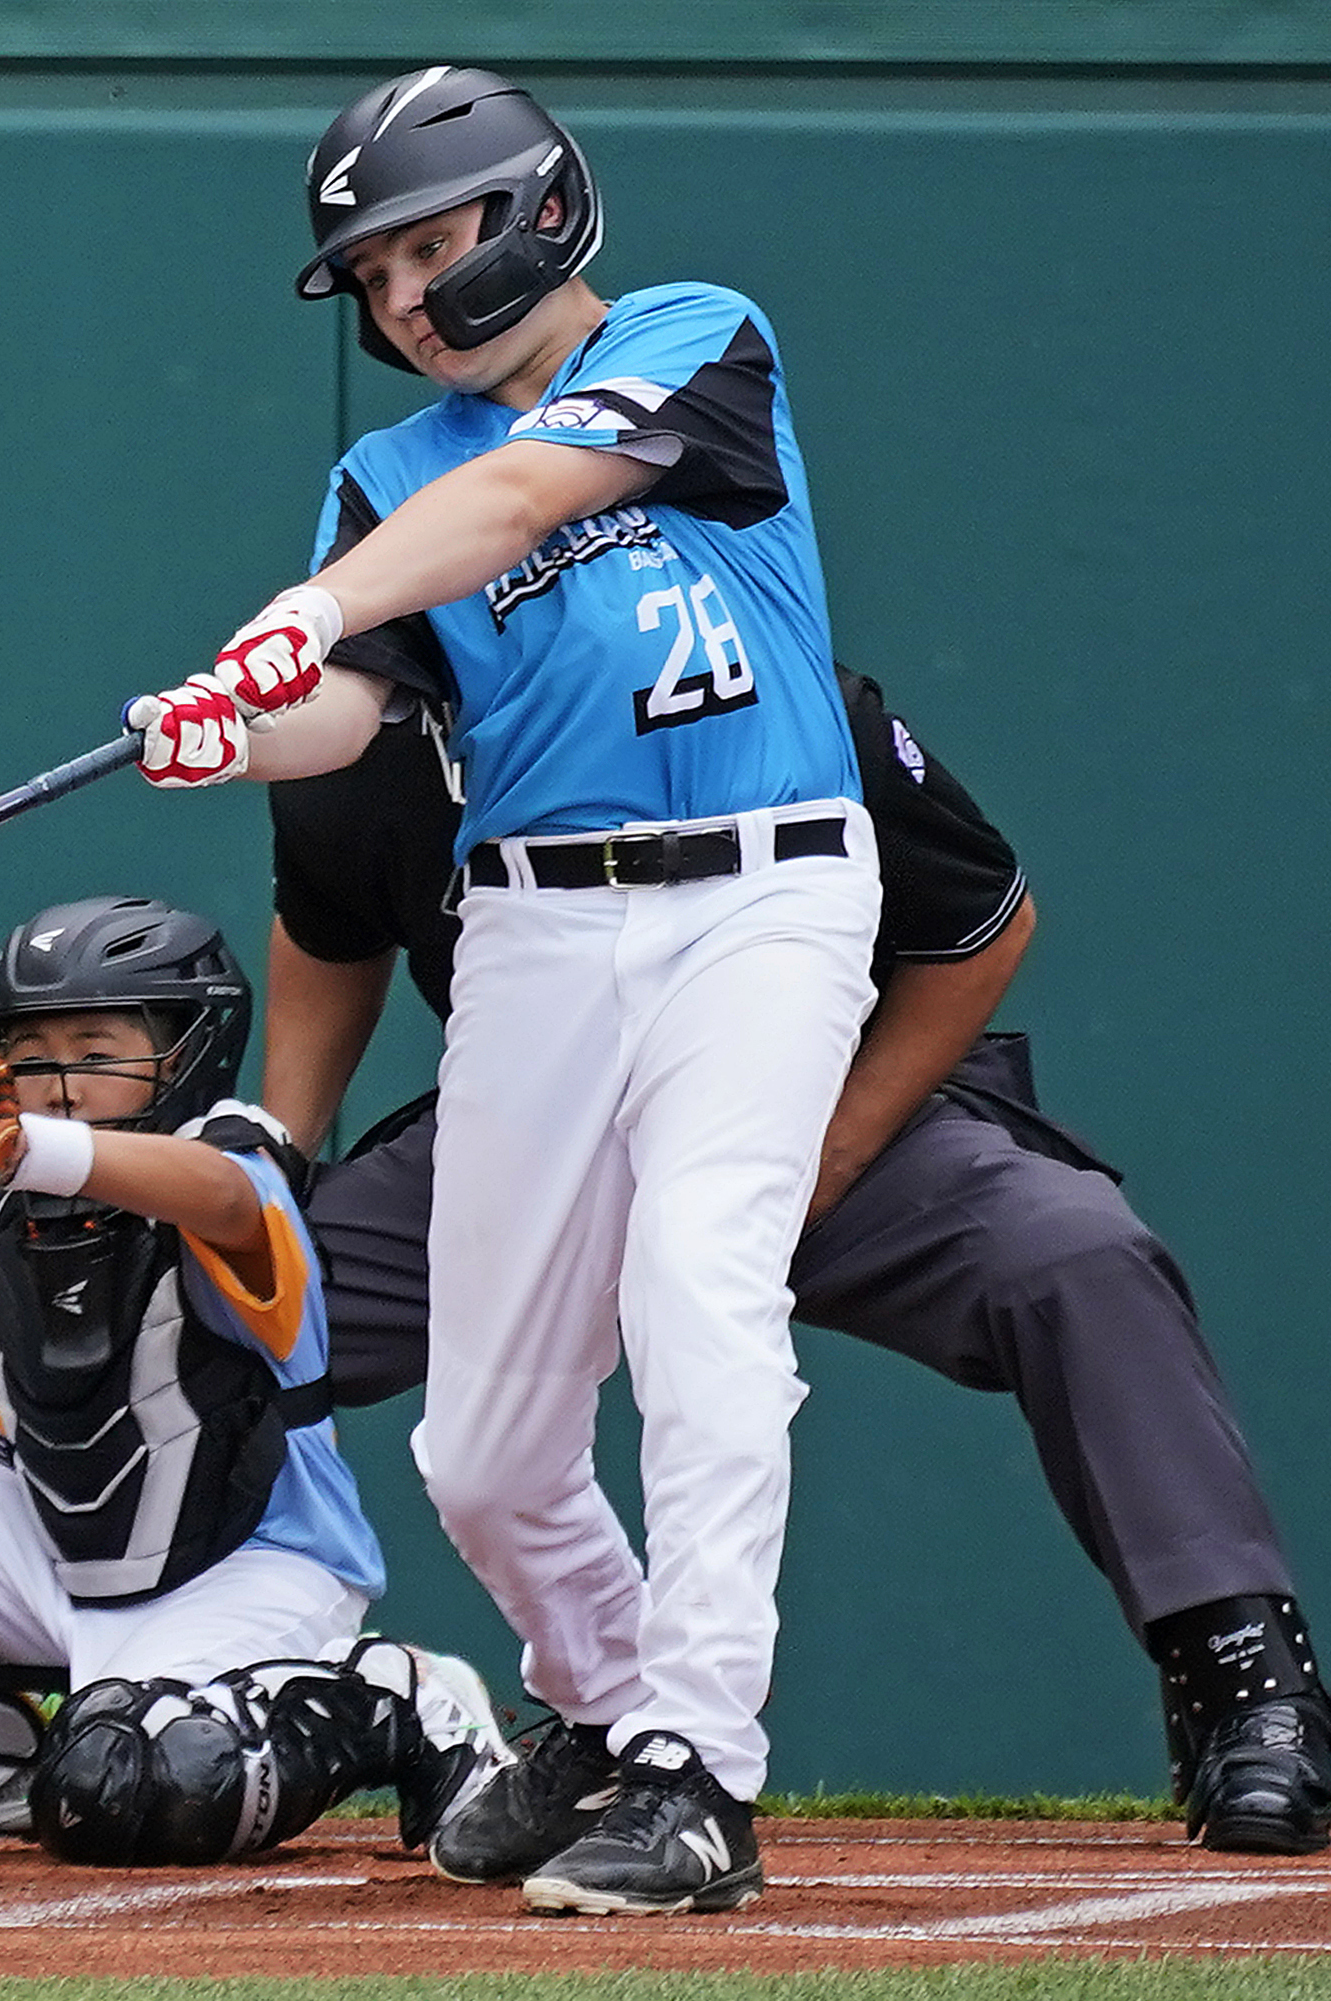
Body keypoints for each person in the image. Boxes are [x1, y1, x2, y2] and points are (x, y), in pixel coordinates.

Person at [120, 67, 881, 1915]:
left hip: (764, 897)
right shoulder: (381, 480)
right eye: (368, 276)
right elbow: (353, 702)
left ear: (533, 210)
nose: (396, 298)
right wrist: (231, 728)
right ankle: (606, 1708)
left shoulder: (700, 339)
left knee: (703, 1292)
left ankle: (699, 1771)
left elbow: (530, 494)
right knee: (486, 1452)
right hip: (535, 930)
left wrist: (297, 617)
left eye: (422, 250)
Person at [270, 669, 1331, 1859]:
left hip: (817, 1102)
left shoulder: (763, 685)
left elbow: (984, 924)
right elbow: (328, 923)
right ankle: (223, 1693)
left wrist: (815, 1162)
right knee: (243, 1299)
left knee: (1073, 1255)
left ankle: (1243, 1673)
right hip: (545, 1127)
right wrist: (275, 1154)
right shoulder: (358, 725)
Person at [0, 895, 513, 1863]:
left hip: (250, 1570)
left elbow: (222, 1202)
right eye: (32, 1056)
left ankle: (401, 1703)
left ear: (186, 1049)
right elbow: (68, 1444)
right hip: (75, 1563)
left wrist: (31, 1147)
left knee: (120, 1793)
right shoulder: (2, 1218)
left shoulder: (233, 1165)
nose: (61, 1083)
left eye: (97, 1048)